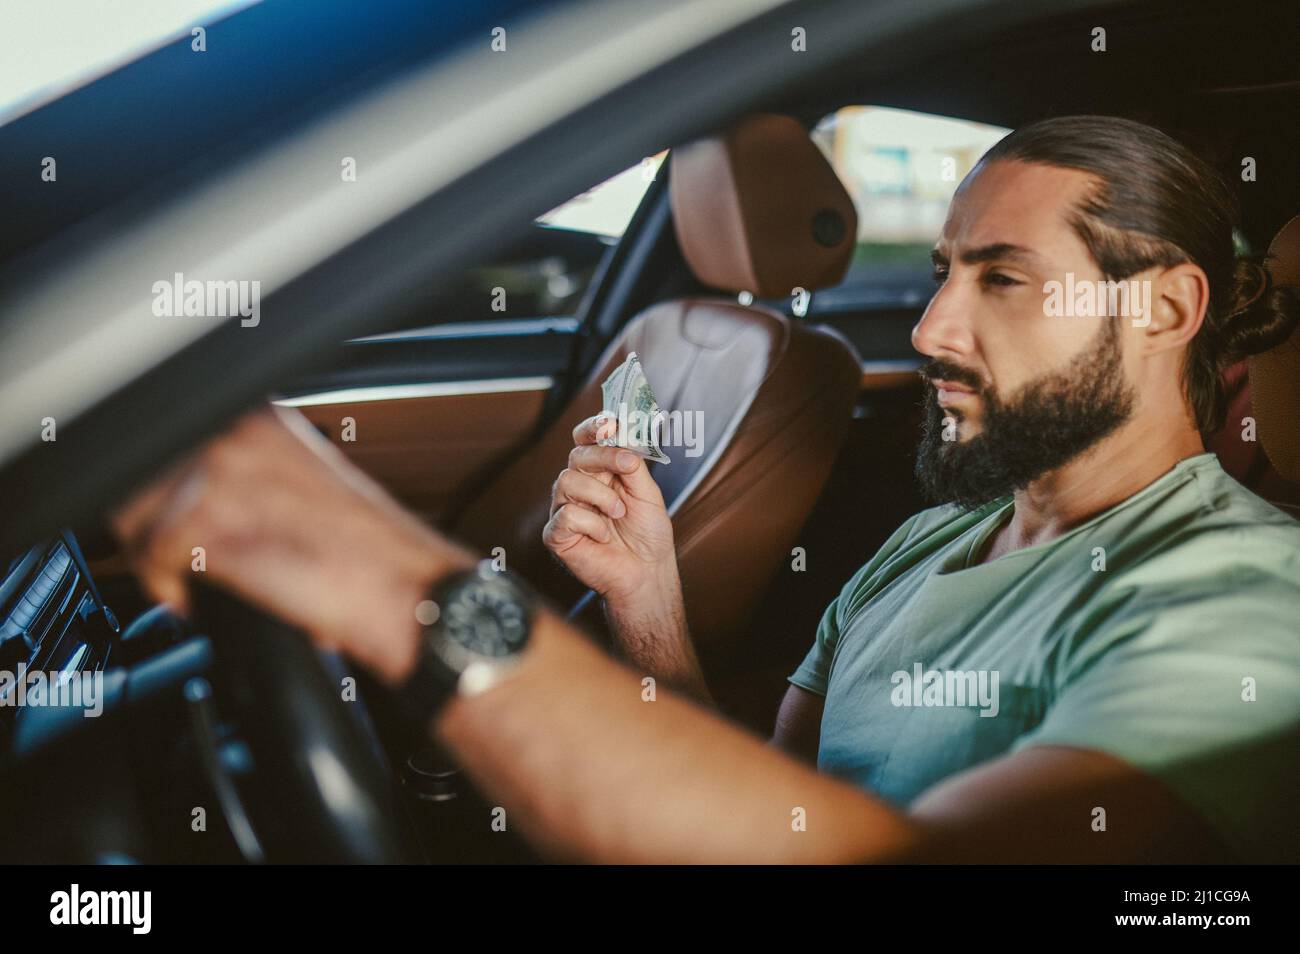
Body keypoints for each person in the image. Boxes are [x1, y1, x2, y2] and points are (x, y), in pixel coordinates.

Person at [113, 116, 1300, 863]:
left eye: (1003, 280)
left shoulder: (1241, 595)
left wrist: (388, 581)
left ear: (1165, 308)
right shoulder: (933, 538)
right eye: (942, 272)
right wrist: (648, 604)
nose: (934, 326)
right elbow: (784, 803)